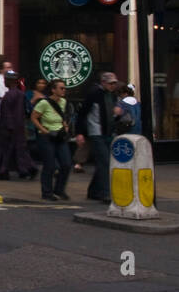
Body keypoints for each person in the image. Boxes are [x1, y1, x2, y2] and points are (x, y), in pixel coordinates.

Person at [75, 71, 119, 206]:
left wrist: (117, 113)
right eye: (110, 83)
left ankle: (93, 191)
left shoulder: (113, 95)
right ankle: (105, 193)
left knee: (103, 163)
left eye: (114, 83)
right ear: (103, 83)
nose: (113, 86)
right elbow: (82, 114)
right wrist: (80, 133)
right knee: (105, 162)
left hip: (108, 133)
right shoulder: (94, 94)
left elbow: (111, 114)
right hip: (96, 132)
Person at [32, 79, 73, 201]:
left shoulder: (64, 101)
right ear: (53, 90)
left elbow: (63, 115)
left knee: (66, 164)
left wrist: (65, 126)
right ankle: (47, 192)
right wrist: (43, 130)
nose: (63, 90)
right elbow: (33, 118)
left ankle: (59, 190)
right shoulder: (44, 103)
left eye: (64, 88)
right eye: (61, 88)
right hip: (47, 136)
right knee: (49, 165)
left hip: (60, 136)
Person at [0, 72, 36, 180]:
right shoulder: (21, 94)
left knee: (6, 150)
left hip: (9, 127)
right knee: (19, 150)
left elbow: (7, 113)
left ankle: (25, 168)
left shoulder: (8, 96)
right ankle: (23, 169)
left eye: (6, 79)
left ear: (10, 81)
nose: (4, 81)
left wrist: (8, 127)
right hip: (19, 126)